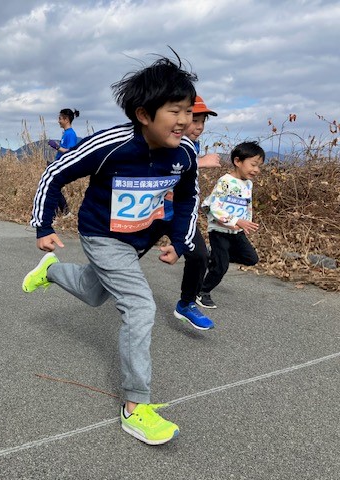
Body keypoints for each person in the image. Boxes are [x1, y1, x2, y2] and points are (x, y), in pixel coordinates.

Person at [23, 55, 199, 446]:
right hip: (102, 235)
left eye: (189, 110)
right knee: (139, 307)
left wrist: (180, 240)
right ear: (144, 114)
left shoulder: (184, 153)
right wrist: (44, 224)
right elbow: (55, 172)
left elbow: (187, 198)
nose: (186, 120)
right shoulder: (113, 144)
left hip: (139, 240)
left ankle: (50, 271)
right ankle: (135, 407)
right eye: (175, 111)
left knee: (92, 291)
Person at [143, 95, 220, 331]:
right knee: (124, 258)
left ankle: (186, 304)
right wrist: (200, 162)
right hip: (152, 213)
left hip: (180, 214)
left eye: (202, 121)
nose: (198, 127)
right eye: (194, 120)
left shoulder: (191, 145)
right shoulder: (163, 141)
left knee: (199, 256)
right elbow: (154, 165)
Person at [197, 141, 264, 308]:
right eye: (253, 164)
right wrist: (234, 221)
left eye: (259, 166)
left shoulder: (248, 183)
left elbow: (246, 204)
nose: (256, 169)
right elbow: (214, 206)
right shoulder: (225, 181)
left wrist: (245, 223)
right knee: (221, 267)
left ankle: (213, 255)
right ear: (237, 161)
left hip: (236, 230)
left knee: (251, 258)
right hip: (220, 230)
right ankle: (202, 292)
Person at [47, 108, 80, 217]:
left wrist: (56, 146)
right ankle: (66, 212)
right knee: (54, 187)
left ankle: (54, 216)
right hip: (58, 164)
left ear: (66, 119)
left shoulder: (70, 134)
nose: (58, 121)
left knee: (52, 187)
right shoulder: (66, 133)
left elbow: (70, 152)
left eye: (60, 118)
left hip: (63, 166)